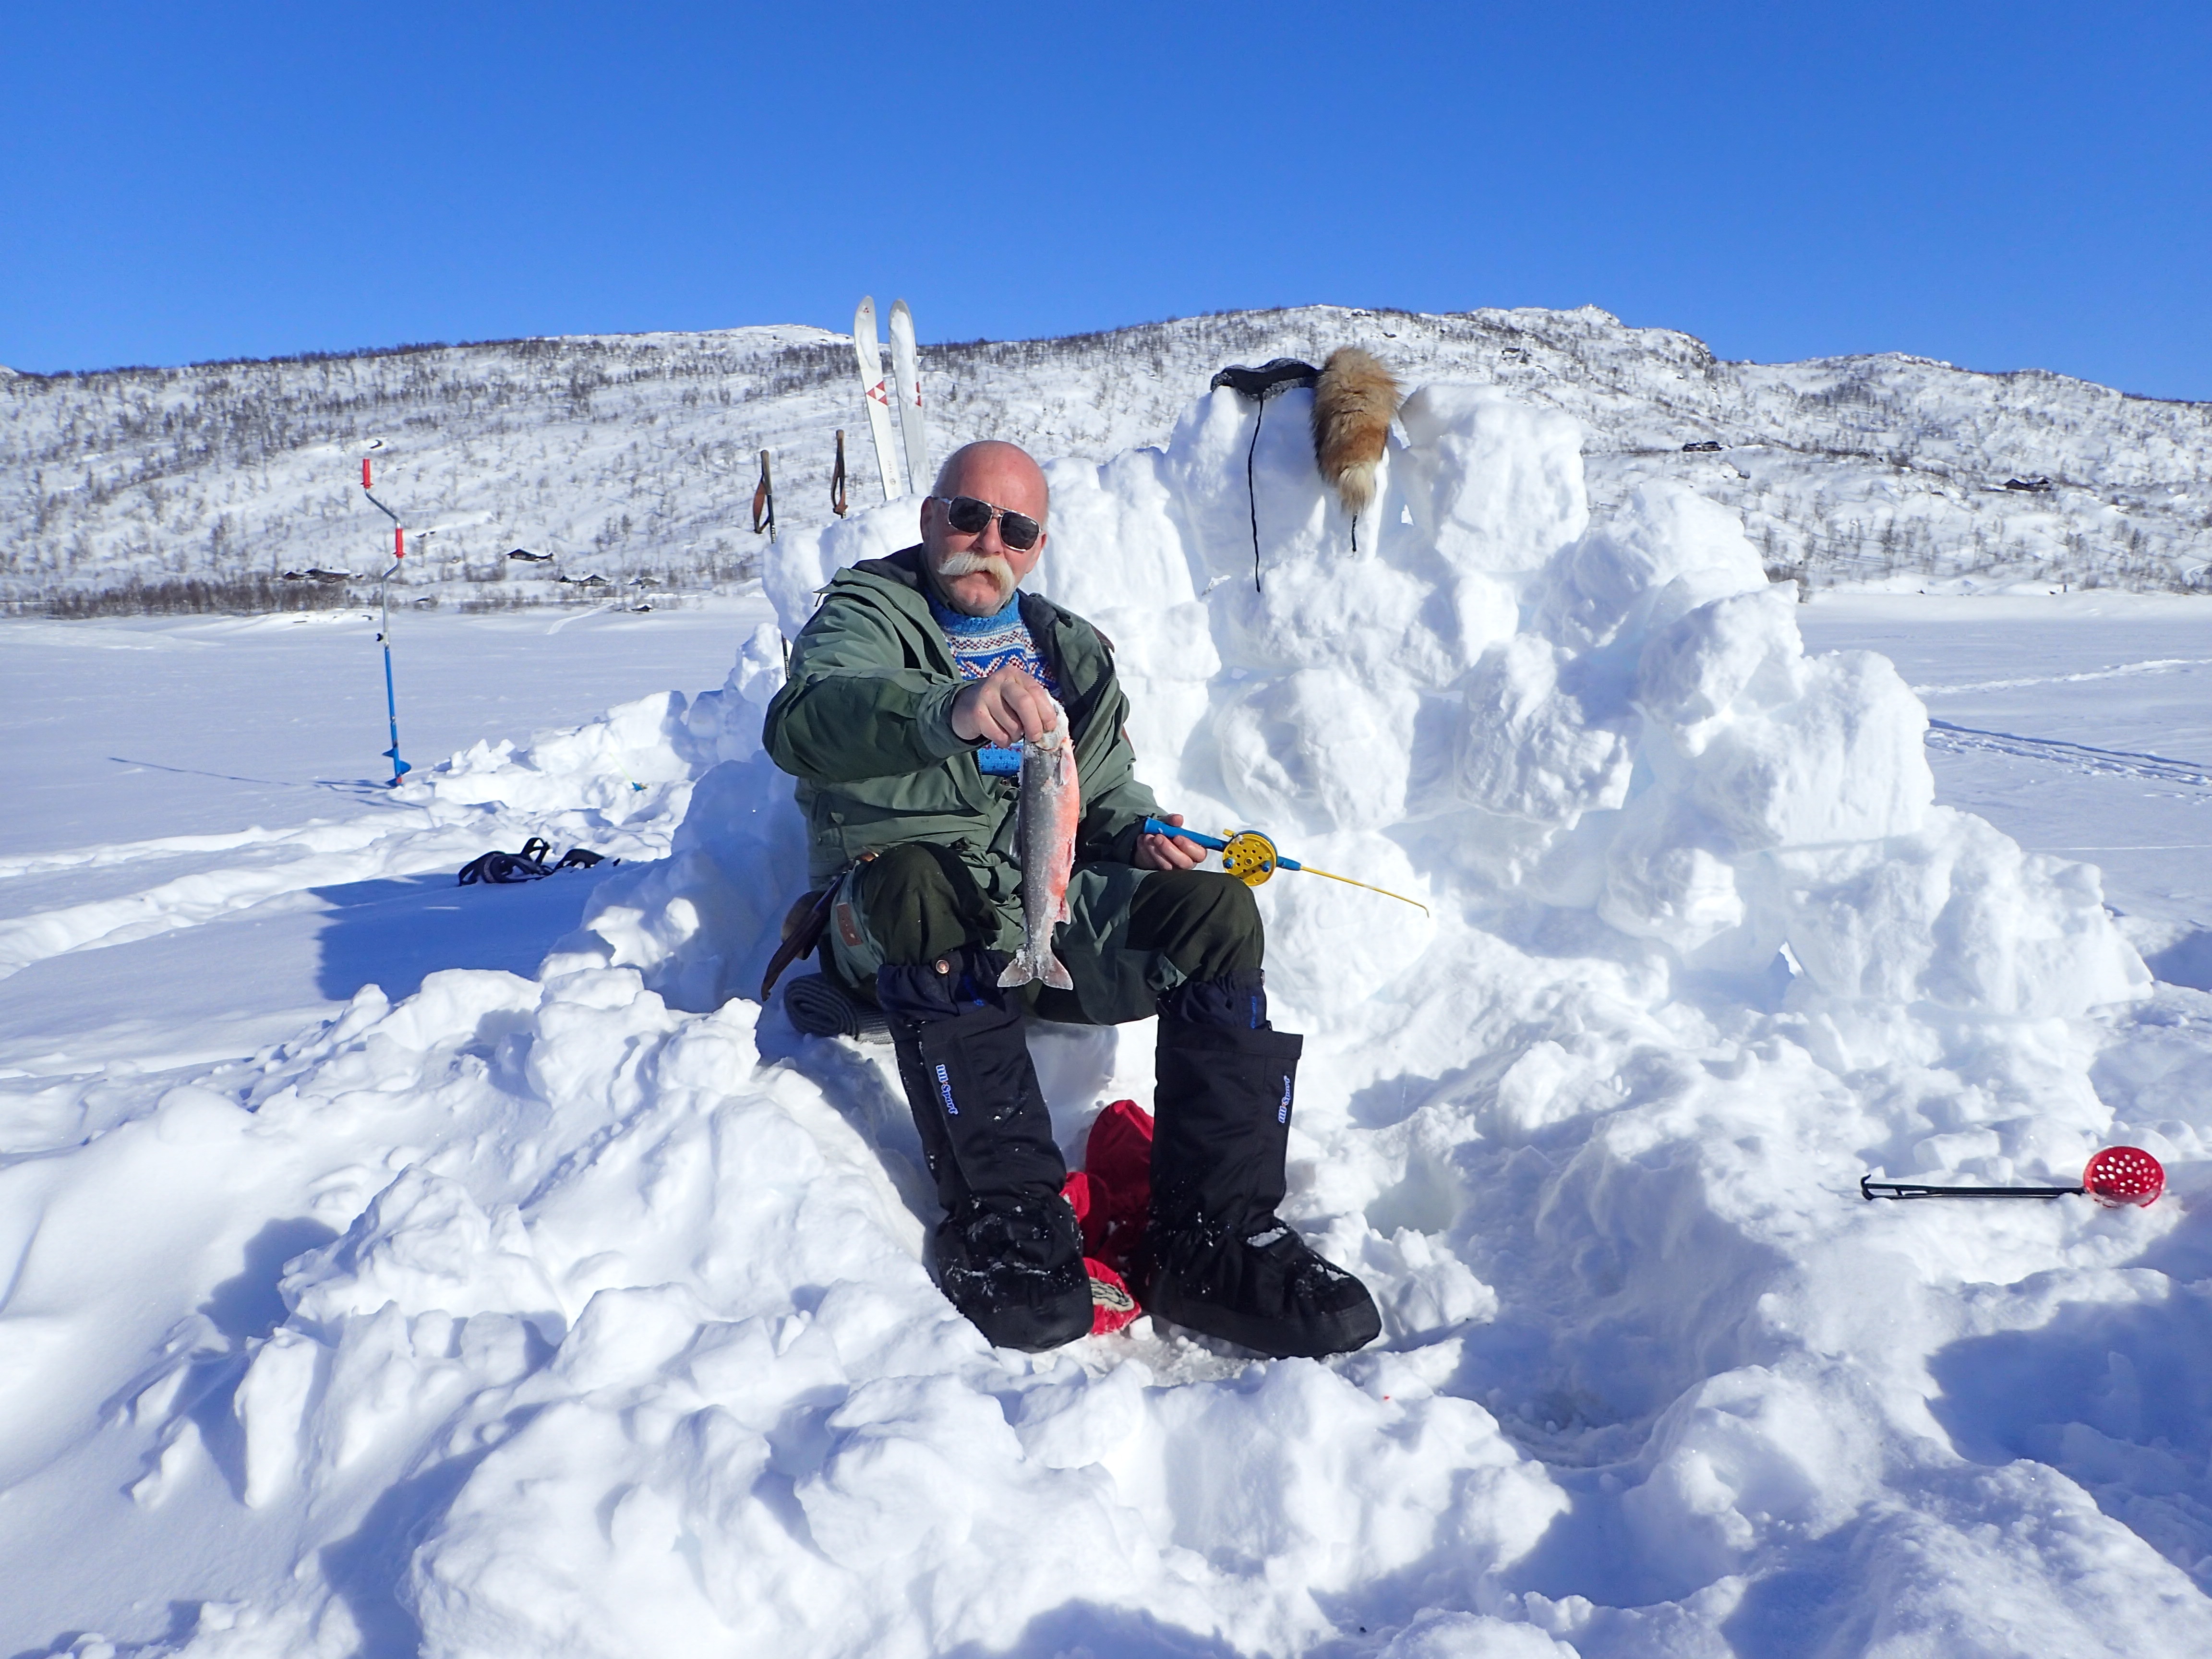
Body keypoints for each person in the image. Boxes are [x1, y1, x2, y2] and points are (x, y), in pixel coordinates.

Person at [762, 440, 1381, 1358]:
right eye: (969, 517)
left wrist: (1140, 834)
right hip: (895, 918)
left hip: (1037, 926)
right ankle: (1008, 1221)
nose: (988, 542)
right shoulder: (867, 613)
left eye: (1014, 529)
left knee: (1216, 918)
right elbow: (807, 721)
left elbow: (1105, 788)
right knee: (921, 885)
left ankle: (1212, 1236)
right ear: (933, 519)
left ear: (1036, 546)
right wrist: (950, 711)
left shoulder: (1067, 648)